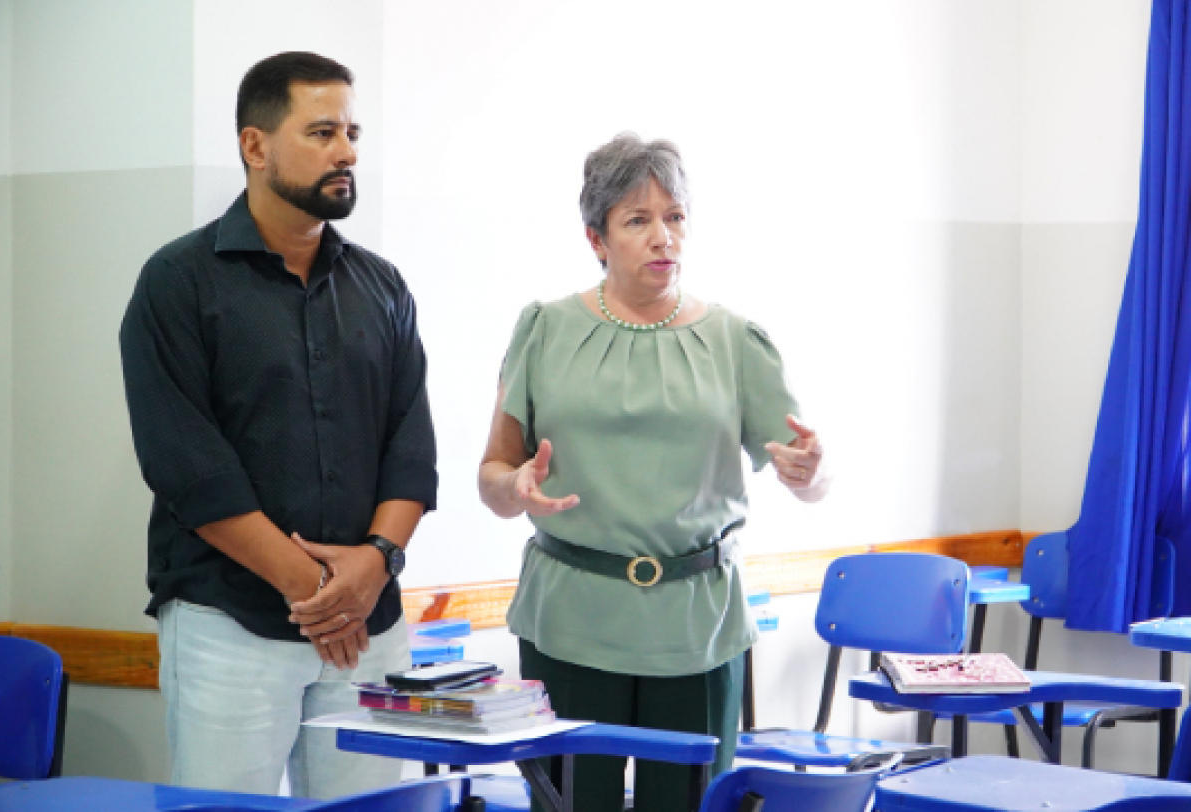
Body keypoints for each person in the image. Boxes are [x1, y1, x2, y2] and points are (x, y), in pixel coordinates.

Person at [478, 133, 831, 812]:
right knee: (576, 803)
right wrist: (513, 487)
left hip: (696, 624)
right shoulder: (545, 330)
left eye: (674, 217)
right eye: (637, 220)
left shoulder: (734, 340)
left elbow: (813, 477)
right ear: (596, 238)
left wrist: (809, 471)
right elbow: (494, 473)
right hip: (572, 618)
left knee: (690, 805)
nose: (662, 236)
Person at [119, 52, 436, 799]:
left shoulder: (382, 286)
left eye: (352, 131)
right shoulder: (178, 282)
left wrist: (375, 562)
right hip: (230, 625)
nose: (348, 151)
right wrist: (319, 592)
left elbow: (411, 449)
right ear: (254, 146)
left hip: (369, 627)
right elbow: (187, 467)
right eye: (322, 131)